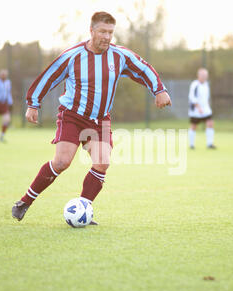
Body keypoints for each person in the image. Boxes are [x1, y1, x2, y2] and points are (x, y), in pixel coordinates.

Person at [11, 11, 172, 224]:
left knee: (102, 163)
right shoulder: (73, 56)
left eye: (110, 32)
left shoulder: (119, 55)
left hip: (100, 121)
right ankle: (25, 201)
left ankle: (83, 208)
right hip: (72, 116)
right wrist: (33, 104)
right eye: (102, 31)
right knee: (61, 162)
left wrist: (159, 90)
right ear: (92, 31)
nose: (107, 37)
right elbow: (49, 76)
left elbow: (144, 69)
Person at [188, 68, 216, 149]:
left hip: (206, 109)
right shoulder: (194, 85)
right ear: (198, 75)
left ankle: (209, 144)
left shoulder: (206, 84)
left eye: (205, 75)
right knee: (194, 126)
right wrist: (198, 107)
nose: (204, 77)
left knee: (210, 123)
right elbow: (192, 97)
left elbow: (206, 97)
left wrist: (207, 106)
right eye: (203, 75)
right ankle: (191, 145)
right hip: (196, 110)